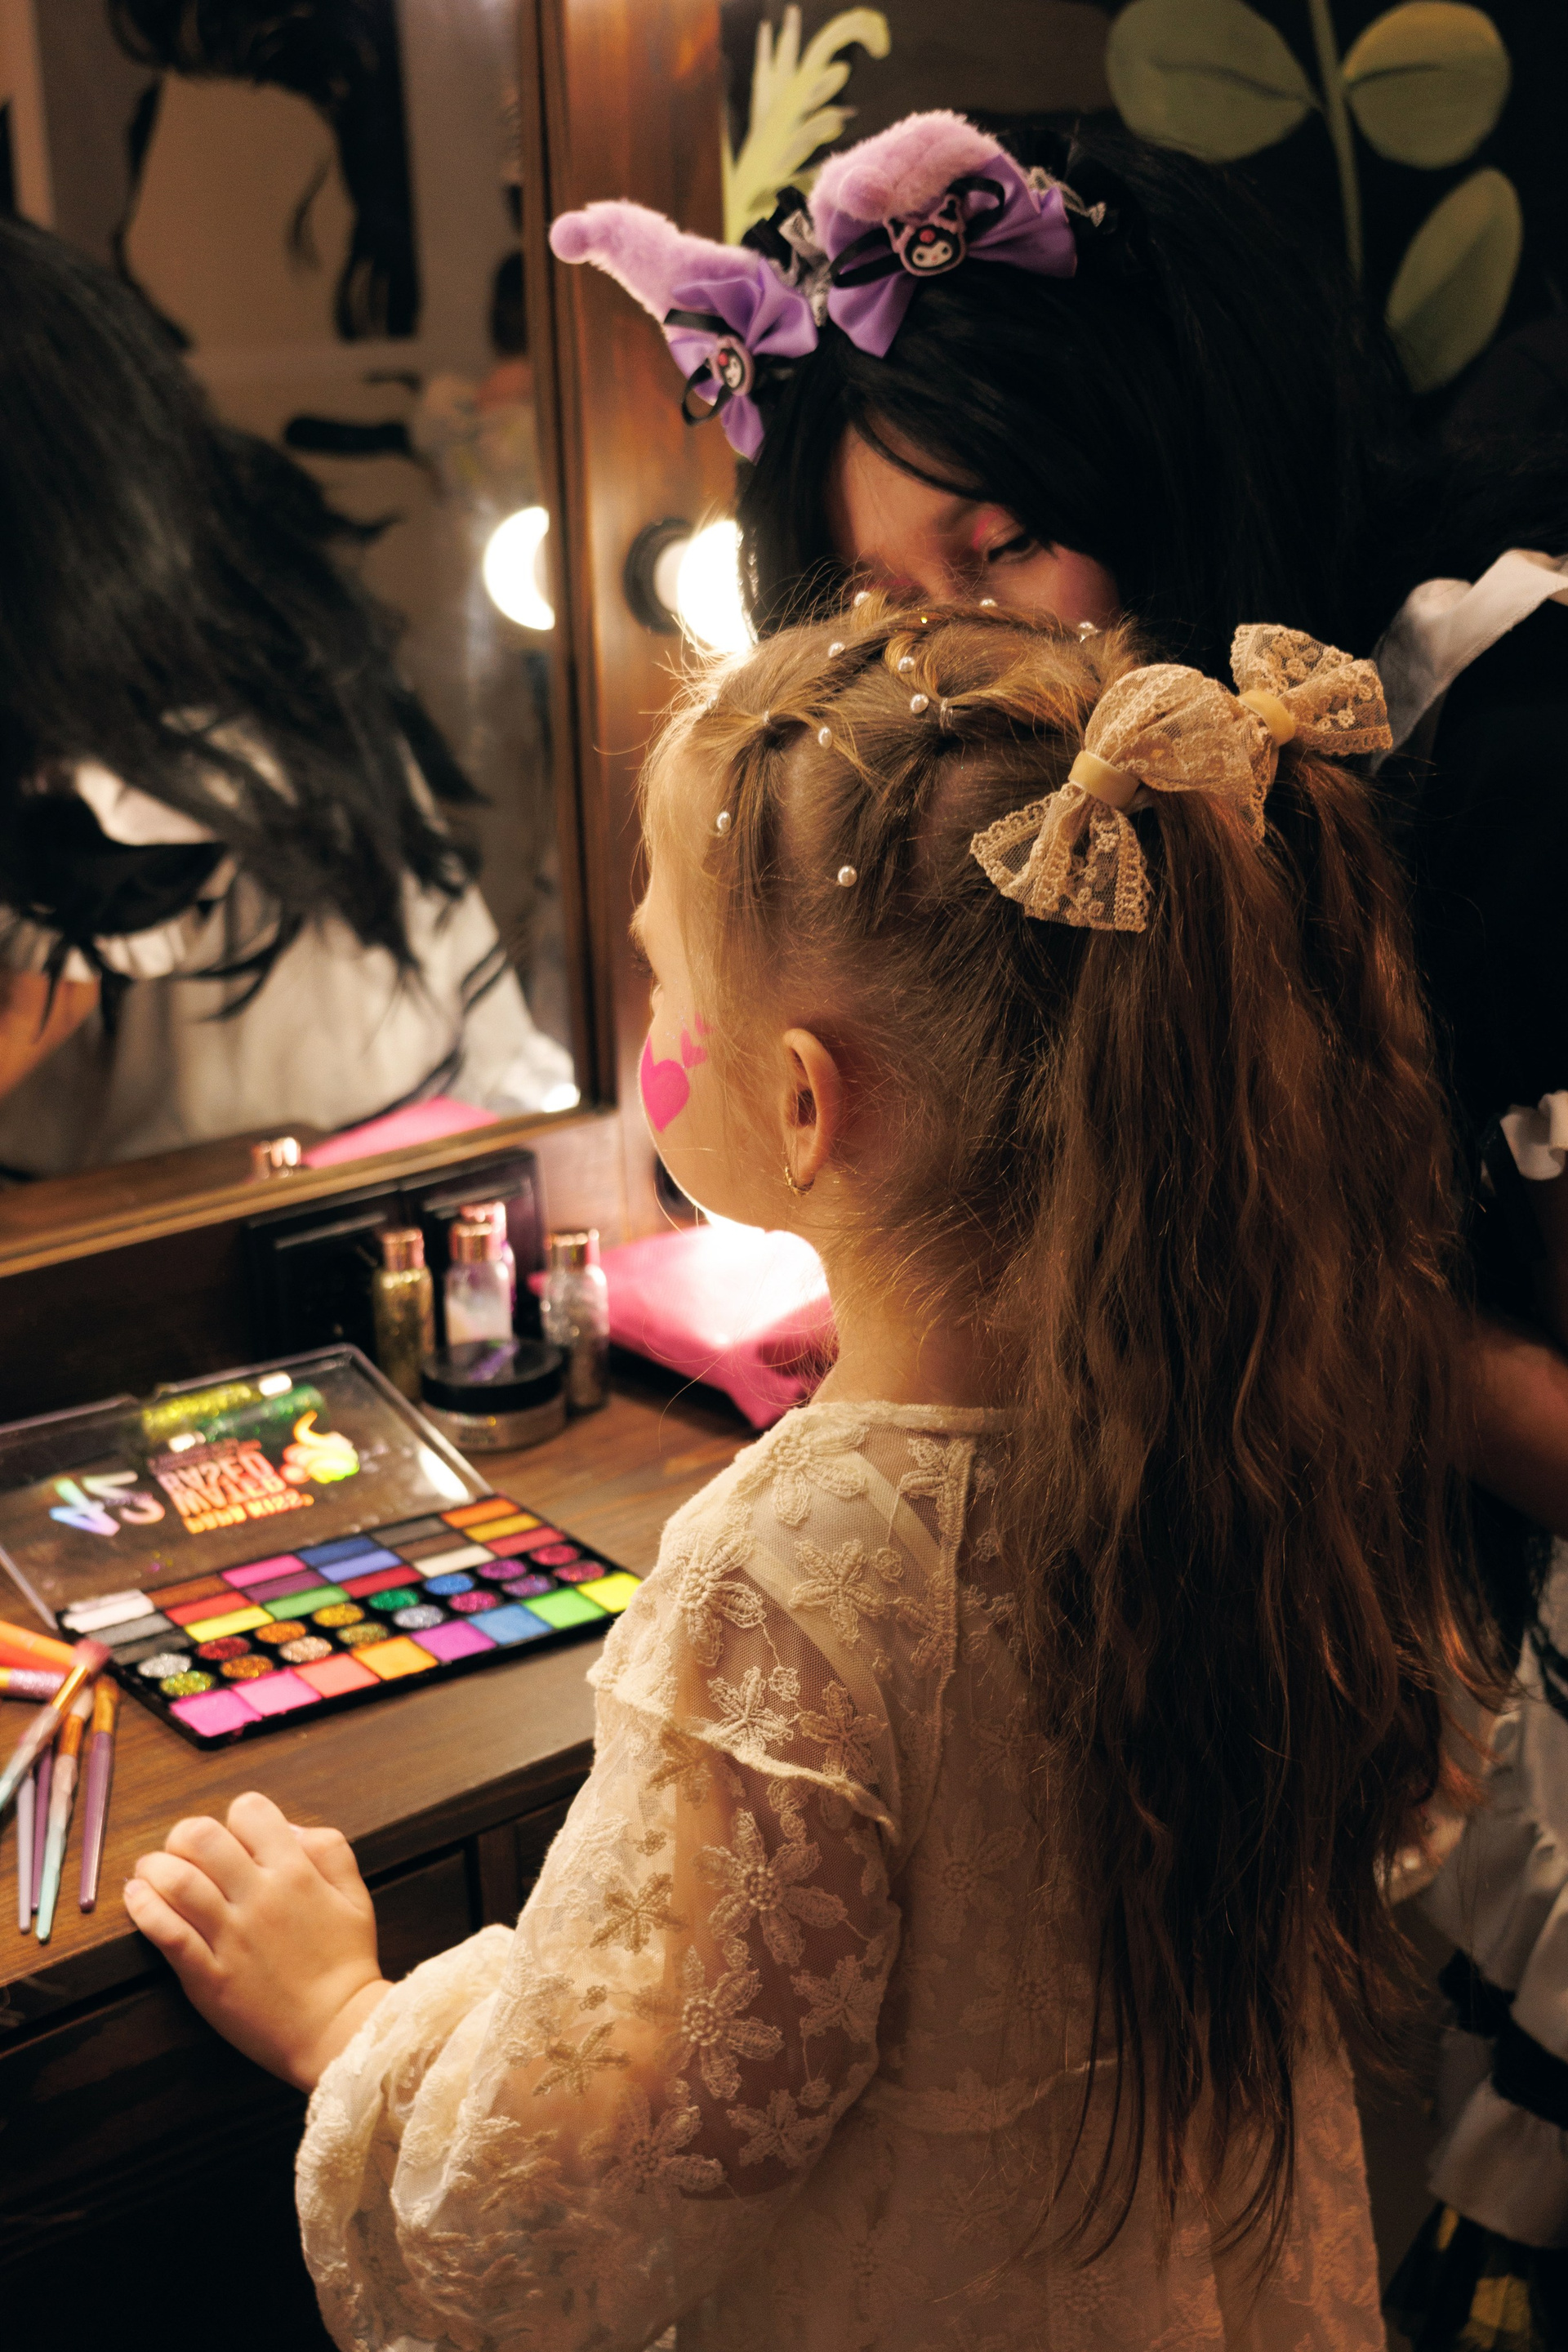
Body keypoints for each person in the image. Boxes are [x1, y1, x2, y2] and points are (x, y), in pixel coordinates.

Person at [125, 598, 1492, 2349]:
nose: (647, 1013)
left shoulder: (793, 1574)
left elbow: (568, 2193)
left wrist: (344, 2017)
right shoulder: (1246, 1414)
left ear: (799, 1104)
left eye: (660, 980)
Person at [552, 120, 1568, 2341]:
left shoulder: (1496, 745)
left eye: (1005, 541)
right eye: (891, 597)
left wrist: (1273, 1287)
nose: (970, 647)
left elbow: (587, 2149)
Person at [0, 216, 572, 1175]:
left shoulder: (167, 693)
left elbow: (37, 997)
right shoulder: (222, 562)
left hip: (311, 1131)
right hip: (340, 1088)